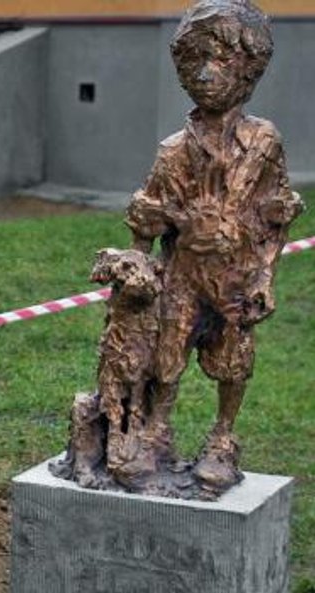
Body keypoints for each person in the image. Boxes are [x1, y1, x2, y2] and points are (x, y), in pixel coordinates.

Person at [125, 0, 303, 492]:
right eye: (194, 61)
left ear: (248, 70)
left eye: (221, 61)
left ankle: (223, 437)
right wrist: (138, 259)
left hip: (238, 275)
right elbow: (146, 217)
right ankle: (156, 430)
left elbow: (276, 216)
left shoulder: (264, 142)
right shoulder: (173, 150)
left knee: (234, 358)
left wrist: (267, 275)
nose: (204, 74)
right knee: (167, 350)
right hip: (183, 274)